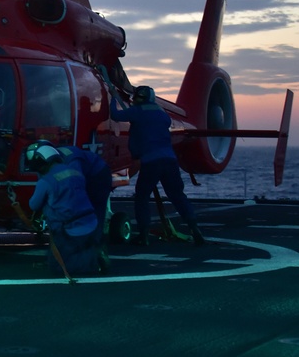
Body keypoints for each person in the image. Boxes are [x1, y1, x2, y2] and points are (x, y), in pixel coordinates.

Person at [109, 86, 205, 246]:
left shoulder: (137, 111)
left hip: (151, 162)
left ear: (139, 98)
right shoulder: (162, 114)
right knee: (178, 196)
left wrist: (113, 97)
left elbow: (116, 115)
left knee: (142, 196)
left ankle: (143, 236)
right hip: (170, 160)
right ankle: (195, 229)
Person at [24, 143, 102, 276]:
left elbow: (34, 205)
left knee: (58, 266)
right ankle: (94, 257)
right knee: (83, 251)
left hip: (68, 230)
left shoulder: (46, 181)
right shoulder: (76, 172)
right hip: (91, 224)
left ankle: (88, 264)